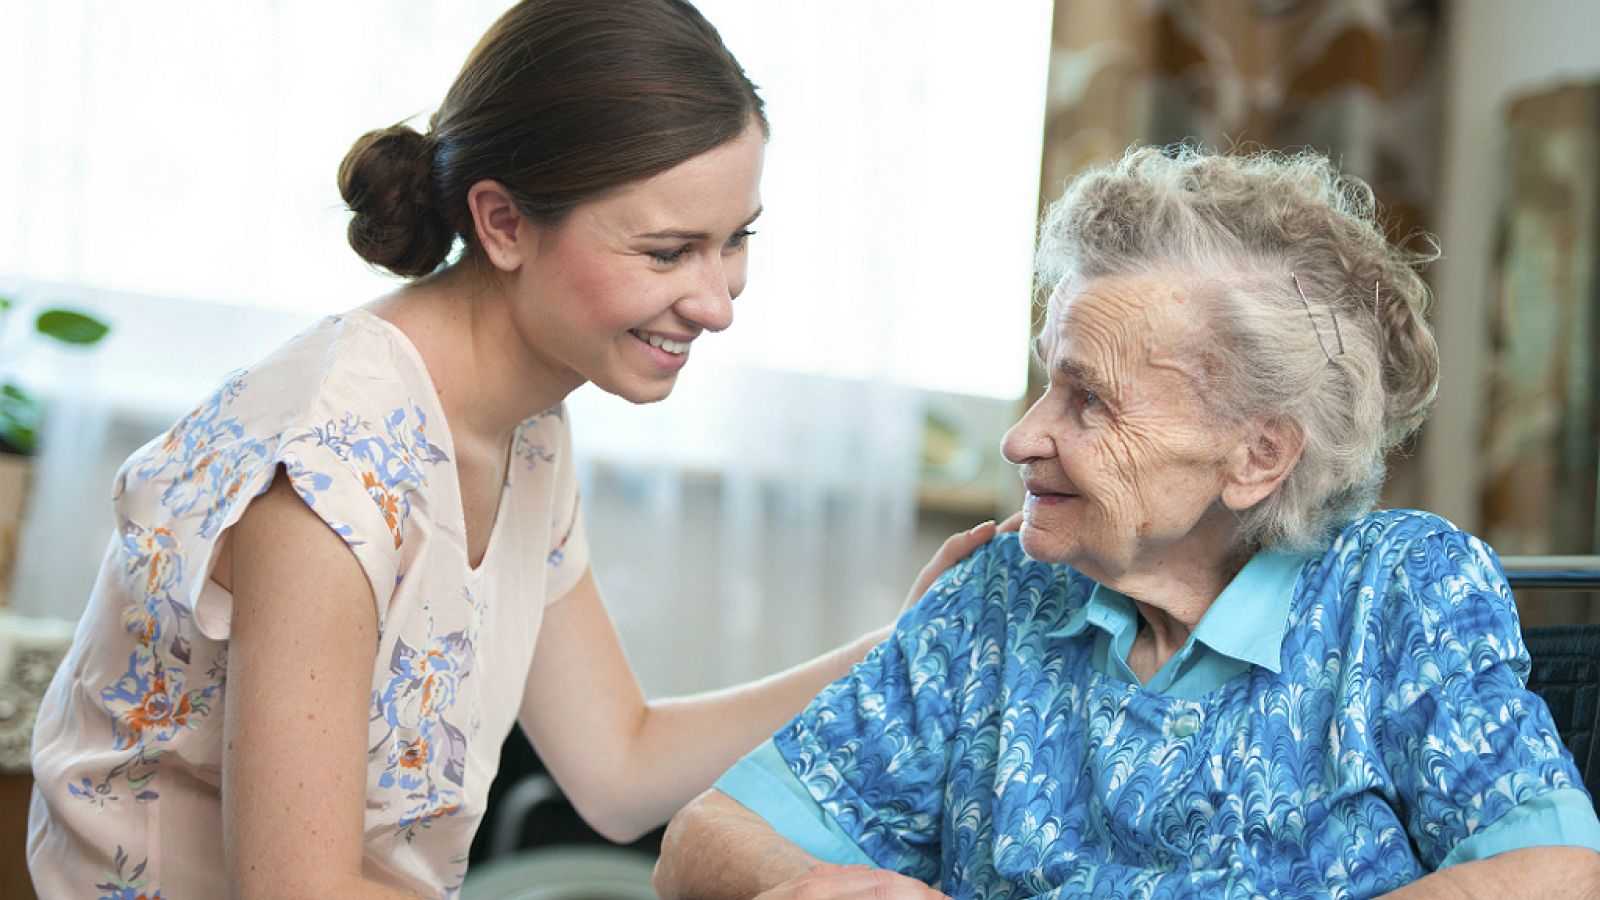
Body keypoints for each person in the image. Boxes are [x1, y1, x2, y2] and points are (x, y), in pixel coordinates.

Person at [25, 2, 1002, 896]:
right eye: (666, 252)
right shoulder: (330, 468)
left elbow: (618, 767)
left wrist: (904, 649)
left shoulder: (525, 420)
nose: (715, 302)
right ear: (501, 222)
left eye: (733, 239)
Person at [654, 145, 1600, 899]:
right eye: (1043, 383)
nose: (1022, 439)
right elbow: (702, 842)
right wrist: (814, 885)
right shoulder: (1000, 595)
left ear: (1257, 456)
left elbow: (1558, 873)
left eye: (1088, 402)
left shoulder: (1397, 593)